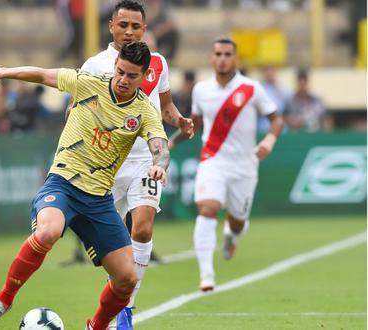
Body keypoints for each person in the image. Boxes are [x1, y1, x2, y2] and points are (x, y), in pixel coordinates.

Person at [0, 41, 170, 330]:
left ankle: (96, 326)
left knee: (127, 278)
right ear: (115, 66)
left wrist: (159, 166)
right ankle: (1, 302)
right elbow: (41, 74)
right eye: (121, 72)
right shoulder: (88, 83)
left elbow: (160, 147)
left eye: (132, 76)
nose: (124, 80)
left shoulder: (144, 111)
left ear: (144, 76)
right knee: (48, 231)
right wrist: (2, 73)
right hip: (63, 183)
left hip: (99, 199)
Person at [71, 2, 194, 328]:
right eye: (122, 25)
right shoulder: (95, 65)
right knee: (111, 252)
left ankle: (126, 309)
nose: (129, 31)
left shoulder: (158, 63)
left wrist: (179, 119)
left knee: (142, 227)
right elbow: (75, 111)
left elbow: (165, 107)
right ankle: (112, 304)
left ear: (144, 28)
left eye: (135, 26)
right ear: (111, 26)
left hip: (146, 160)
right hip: (106, 164)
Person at [169, 38, 284, 292]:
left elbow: (276, 119)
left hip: (244, 165)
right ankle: (206, 275)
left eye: (227, 54)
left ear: (236, 59)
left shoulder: (251, 88)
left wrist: (269, 141)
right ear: (211, 58)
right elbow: (195, 124)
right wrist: (172, 142)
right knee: (207, 209)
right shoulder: (201, 90)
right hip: (213, 160)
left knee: (237, 222)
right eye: (218, 53)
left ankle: (231, 236)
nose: (222, 58)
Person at [257, 65, 289, 133]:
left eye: (271, 70)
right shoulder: (259, 88)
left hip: (279, 127)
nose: (269, 73)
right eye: (267, 70)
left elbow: (283, 107)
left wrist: (276, 85)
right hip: (262, 127)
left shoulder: (282, 89)